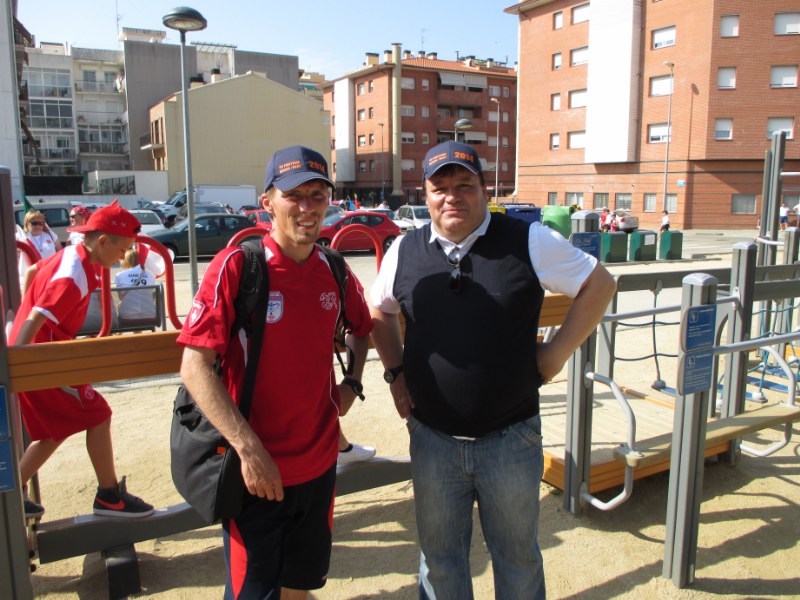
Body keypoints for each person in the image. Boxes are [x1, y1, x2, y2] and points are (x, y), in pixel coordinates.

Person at [369, 141, 616, 599]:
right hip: (433, 441)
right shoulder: (404, 249)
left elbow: (599, 284)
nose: (452, 196)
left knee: (517, 562)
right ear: (425, 194)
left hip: (511, 440)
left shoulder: (529, 240)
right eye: (440, 187)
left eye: (464, 185)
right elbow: (379, 311)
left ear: (484, 189)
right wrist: (395, 373)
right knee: (440, 563)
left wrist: (556, 354)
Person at [178, 145, 372, 599]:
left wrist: (352, 382)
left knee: (299, 589)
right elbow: (194, 366)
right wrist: (248, 451)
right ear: (267, 202)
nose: (307, 207)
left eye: (318, 195)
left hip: (319, 469)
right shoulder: (238, 266)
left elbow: (364, 328)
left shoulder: (335, 269)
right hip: (257, 476)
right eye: (294, 195)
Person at [10, 201, 154, 519]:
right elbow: (37, 316)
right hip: (41, 359)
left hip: (42, 354)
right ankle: (109, 496)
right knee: (98, 414)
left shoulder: (72, 256)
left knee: (55, 430)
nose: (122, 257)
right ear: (102, 241)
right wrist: (19, 361)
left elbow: (33, 272)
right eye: (122, 250)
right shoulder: (74, 274)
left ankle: (11, 492)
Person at [114, 245, 157, 323]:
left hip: (127, 316)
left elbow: (120, 297)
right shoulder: (149, 275)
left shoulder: (120, 275)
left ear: (125, 260)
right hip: (150, 315)